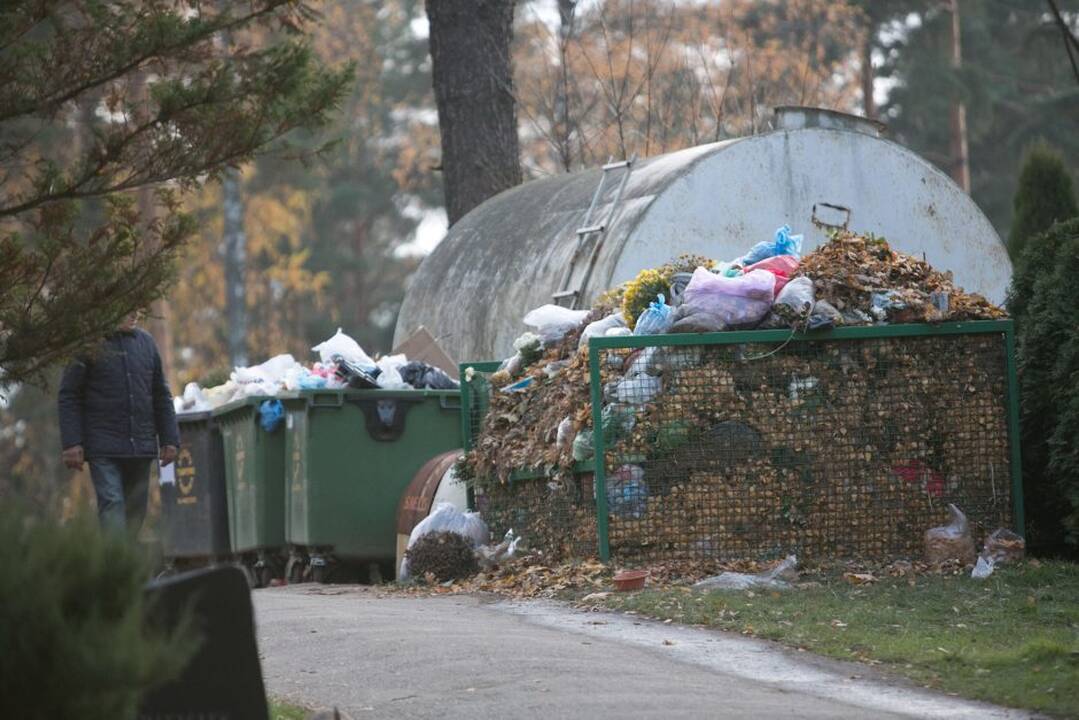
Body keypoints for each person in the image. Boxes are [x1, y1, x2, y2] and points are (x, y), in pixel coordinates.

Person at [58, 311, 180, 535]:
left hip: (141, 448)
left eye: (138, 307)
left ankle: (124, 565)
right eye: (128, 307)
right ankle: (116, 565)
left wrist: (170, 439)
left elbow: (161, 394)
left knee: (136, 513)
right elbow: (69, 394)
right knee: (112, 503)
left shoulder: (147, 344)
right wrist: (72, 442)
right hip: (103, 448)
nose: (135, 313)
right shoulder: (89, 344)